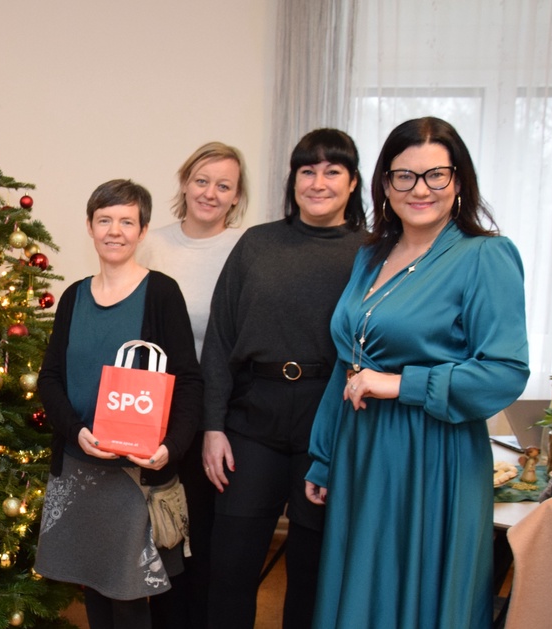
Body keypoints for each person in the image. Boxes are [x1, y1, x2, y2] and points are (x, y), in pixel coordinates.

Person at [304, 117, 529, 629]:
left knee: (416, 595)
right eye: (404, 176)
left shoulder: (485, 256)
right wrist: (323, 457)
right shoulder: (371, 256)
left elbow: (504, 373)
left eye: (435, 175)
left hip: (433, 455)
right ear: (385, 184)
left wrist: (401, 383)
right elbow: (349, 365)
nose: (419, 189)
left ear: (460, 181)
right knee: (361, 590)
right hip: (363, 450)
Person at [200, 129, 367, 629]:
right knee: (230, 566)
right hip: (253, 419)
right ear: (293, 179)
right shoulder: (257, 243)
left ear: (353, 182)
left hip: (330, 419)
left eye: (332, 171)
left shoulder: (373, 252)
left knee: (312, 570)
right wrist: (213, 427)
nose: (318, 182)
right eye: (307, 171)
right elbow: (220, 342)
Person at [35, 179, 204, 629]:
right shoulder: (73, 297)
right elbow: (49, 379)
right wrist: (77, 432)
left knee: (129, 596)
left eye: (127, 221)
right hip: (80, 464)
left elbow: (187, 380)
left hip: (136, 475)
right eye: (105, 220)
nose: (115, 230)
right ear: (89, 227)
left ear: (143, 230)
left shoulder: (162, 294)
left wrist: (172, 446)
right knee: (93, 584)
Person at [136, 142, 250, 628]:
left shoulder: (248, 249)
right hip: (162, 412)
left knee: (207, 535)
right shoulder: (151, 244)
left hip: (222, 413)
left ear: (236, 196)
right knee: (163, 534)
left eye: (223, 185)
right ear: (184, 183)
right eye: (202, 180)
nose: (210, 192)